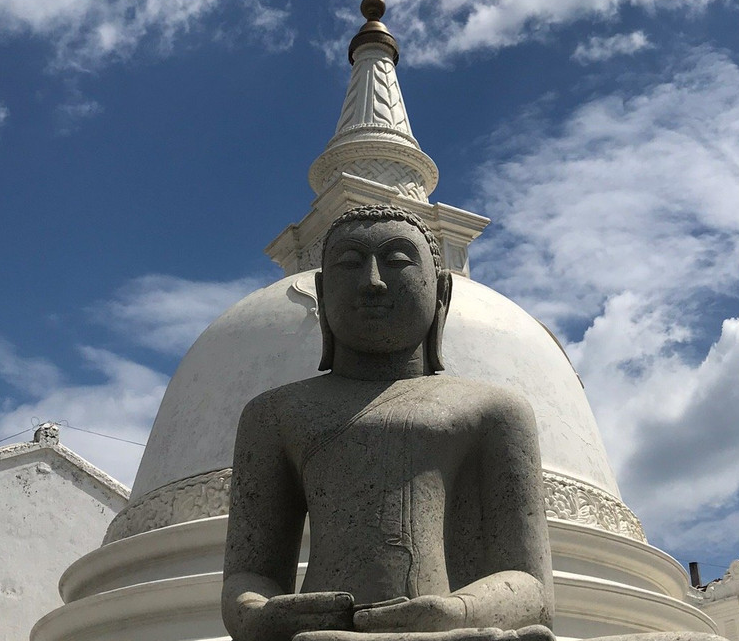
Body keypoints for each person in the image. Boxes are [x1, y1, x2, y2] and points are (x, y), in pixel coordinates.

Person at [222, 205, 555, 641]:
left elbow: (532, 590)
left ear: (441, 293)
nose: (373, 282)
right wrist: (259, 614)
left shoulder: (494, 411)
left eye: (398, 261)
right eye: (349, 264)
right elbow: (248, 575)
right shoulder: (274, 415)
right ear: (321, 296)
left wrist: (455, 612)